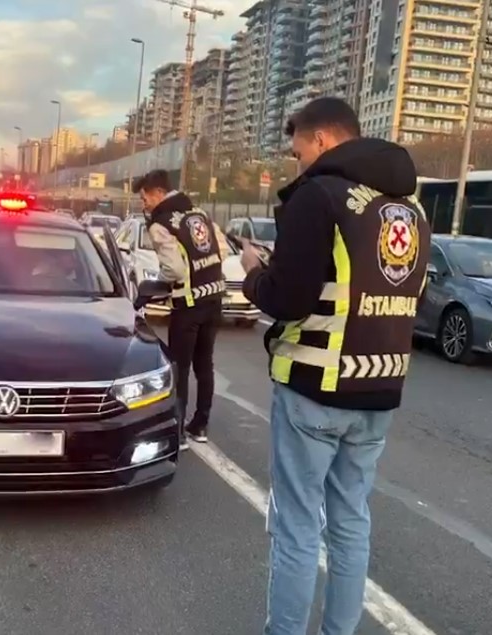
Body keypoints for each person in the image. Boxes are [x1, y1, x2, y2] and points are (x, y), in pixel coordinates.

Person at [239, 97, 429, 635]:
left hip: (315, 389)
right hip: (381, 389)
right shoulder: (409, 208)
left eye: (298, 147)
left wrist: (255, 272)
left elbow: (288, 298)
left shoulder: (319, 195)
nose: (296, 159)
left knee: (297, 528)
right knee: (350, 524)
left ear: (321, 139)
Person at [133, 169, 227, 449]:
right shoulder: (198, 213)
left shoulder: (160, 223)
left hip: (188, 305)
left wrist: (159, 281)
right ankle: (200, 425)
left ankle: (179, 432)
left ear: (159, 193)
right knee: (205, 364)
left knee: (180, 368)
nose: (144, 204)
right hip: (214, 299)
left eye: (145, 197)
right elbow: (219, 250)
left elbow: (172, 269)